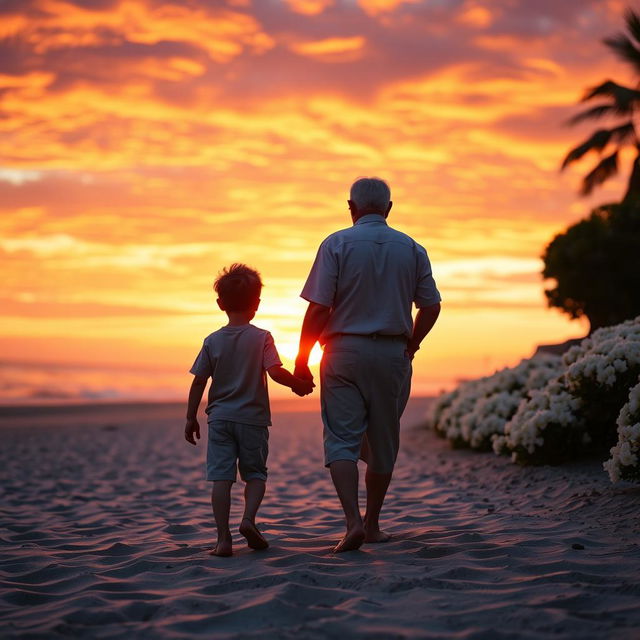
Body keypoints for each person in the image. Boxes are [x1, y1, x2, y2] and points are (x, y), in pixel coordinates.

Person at [294, 177, 441, 553]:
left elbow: (319, 307)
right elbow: (431, 305)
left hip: (342, 351)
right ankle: (373, 524)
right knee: (383, 441)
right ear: (389, 209)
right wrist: (412, 343)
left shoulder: (336, 243)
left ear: (351, 207)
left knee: (341, 440)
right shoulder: (412, 248)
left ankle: (352, 522)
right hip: (392, 354)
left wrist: (301, 360)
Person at [185, 263, 314, 557]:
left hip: (219, 419)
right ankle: (248, 520)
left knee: (222, 478)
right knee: (255, 473)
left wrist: (190, 416)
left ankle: (222, 540)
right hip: (252, 419)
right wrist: (298, 385)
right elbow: (275, 372)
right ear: (256, 304)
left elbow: (198, 382)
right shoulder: (262, 337)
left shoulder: (212, 340)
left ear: (220, 304)